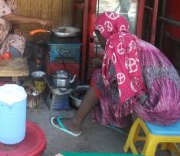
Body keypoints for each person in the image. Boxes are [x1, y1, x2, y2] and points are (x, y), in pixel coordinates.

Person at [51, 12, 180, 137]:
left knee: (100, 77)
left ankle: (75, 124)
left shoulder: (117, 44)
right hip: (175, 108)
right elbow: (130, 70)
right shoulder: (130, 40)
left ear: (104, 33)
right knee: (115, 79)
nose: (98, 40)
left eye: (97, 35)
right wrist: (103, 63)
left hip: (160, 110)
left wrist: (101, 66)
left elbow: (117, 78)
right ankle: (126, 125)